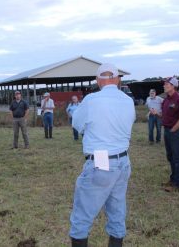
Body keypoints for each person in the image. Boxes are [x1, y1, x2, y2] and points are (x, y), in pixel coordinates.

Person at [69, 63, 135, 247]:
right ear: (117, 79)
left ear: (98, 80)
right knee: (117, 213)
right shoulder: (128, 101)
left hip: (100, 161)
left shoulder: (92, 100)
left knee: (81, 217)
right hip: (123, 161)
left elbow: (77, 124)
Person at [161, 77, 179, 192]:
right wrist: (156, 114)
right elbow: (165, 116)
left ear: (173, 86)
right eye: (164, 84)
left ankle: (178, 184)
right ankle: (173, 179)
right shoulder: (166, 100)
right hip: (167, 131)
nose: (164, 86)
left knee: (177, 157)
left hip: (175, 132)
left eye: (166, 84)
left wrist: (173, 130)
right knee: (170, 156)